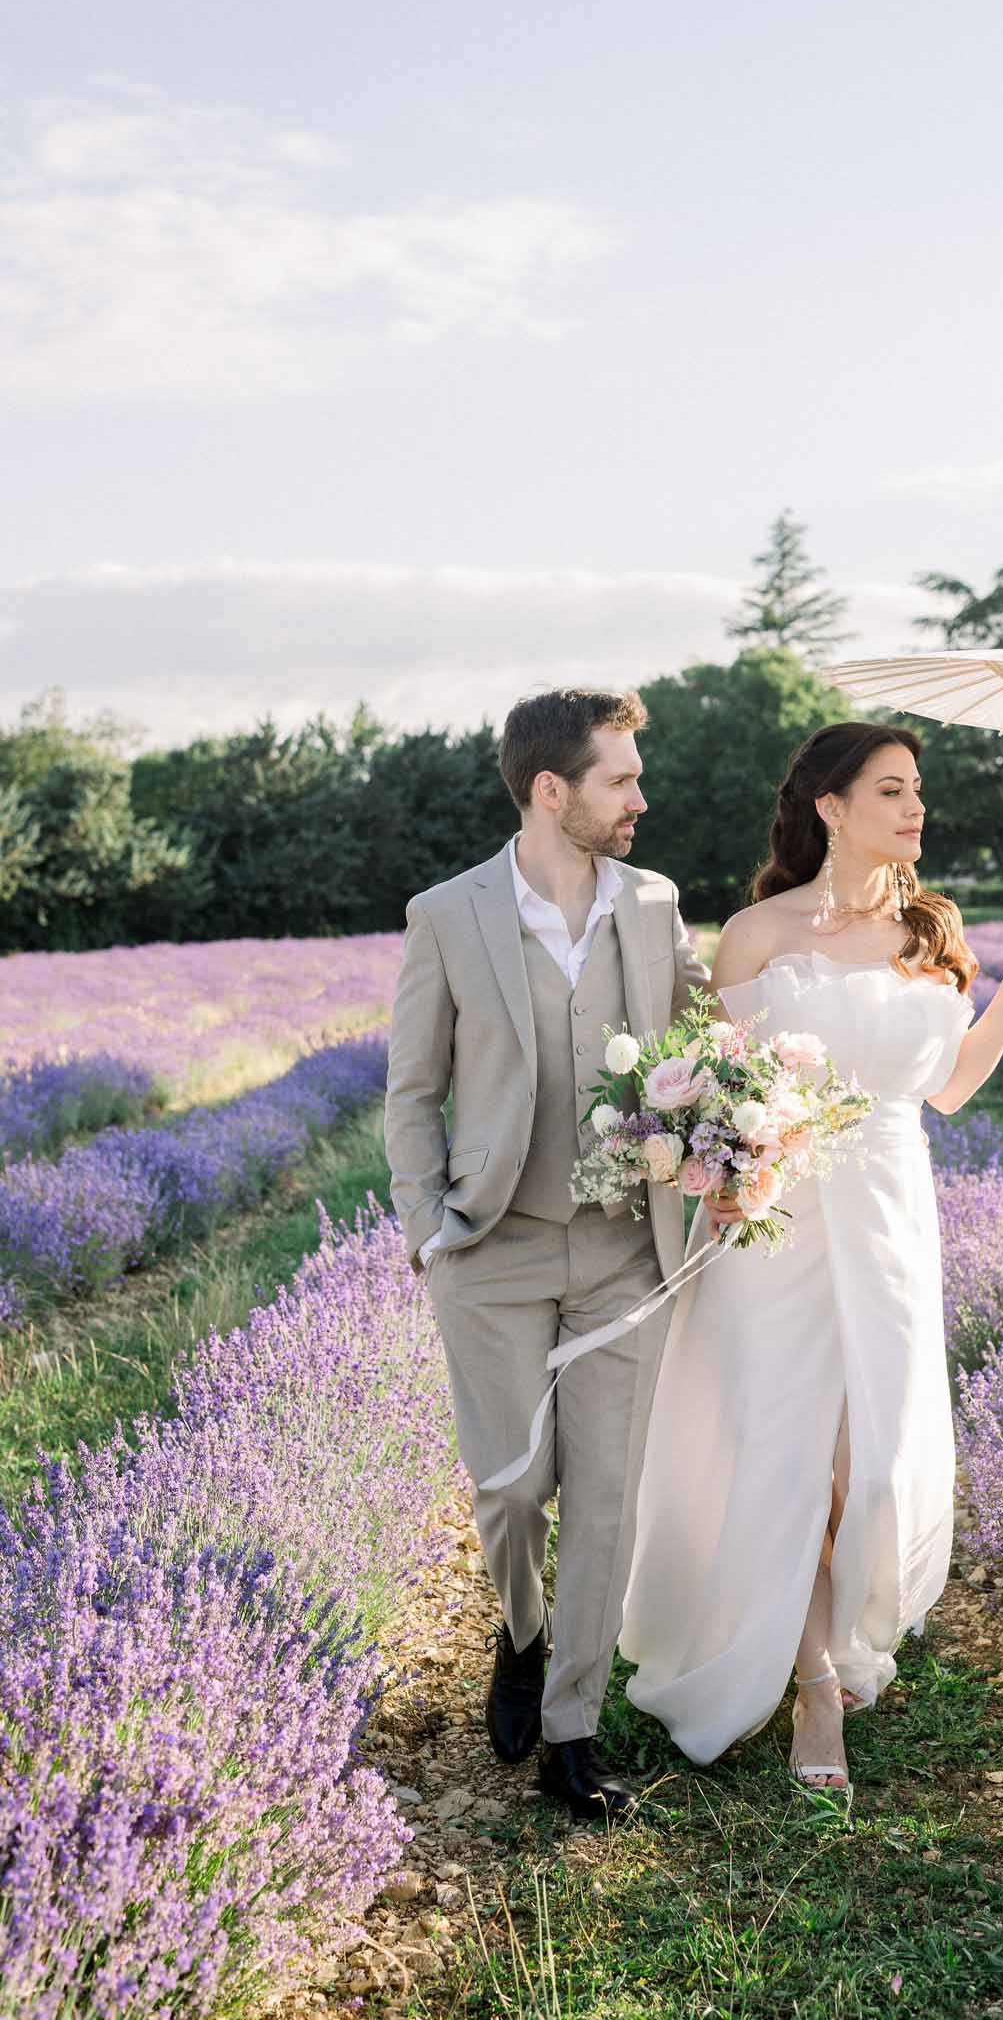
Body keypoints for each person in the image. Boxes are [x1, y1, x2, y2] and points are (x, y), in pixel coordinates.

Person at [620, 720, 1003, 1795]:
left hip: (894, 1213)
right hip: (778, 1215)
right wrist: (721, 1173)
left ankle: (834, 1634)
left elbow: (947, 1087)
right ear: (830, 806)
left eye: (919, 793)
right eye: (893, 790)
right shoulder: (757, 932)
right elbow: (711, 1088)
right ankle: (814, 1681)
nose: (916, 811)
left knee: (877, 1460)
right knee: (787, 1448)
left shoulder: (930, 928)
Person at [384, 686, 708, 1821]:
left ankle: (574, 1725)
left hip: (627, 1249)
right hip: (494, 1247)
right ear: (551, 789)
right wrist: (431, 1221)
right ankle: (519, 1632)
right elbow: (413, 1090)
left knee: (607, 1498)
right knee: (512, 1489)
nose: (640, 798)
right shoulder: (447, 913)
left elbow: (702, 1043)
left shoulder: (656, 904)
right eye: (619, 778)